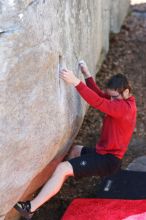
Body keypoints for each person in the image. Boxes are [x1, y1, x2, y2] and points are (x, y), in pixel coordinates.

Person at [14, 61, 137, 219]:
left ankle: (30, 208)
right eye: (111, 97)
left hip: (108, 160)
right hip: (104, 153)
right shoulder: (122, 101)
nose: (112, 100)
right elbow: (101, 96)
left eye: (115, 97)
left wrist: (75, 82)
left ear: (126, 91)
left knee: (62, 168)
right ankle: (54, 186)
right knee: (74, 151)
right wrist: (87, 75)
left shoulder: (124, 109)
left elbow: (98, 102)